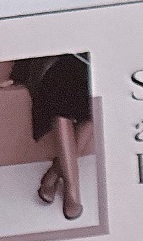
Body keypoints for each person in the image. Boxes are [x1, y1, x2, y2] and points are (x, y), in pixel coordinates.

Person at [8, 53, 92, 219]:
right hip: (53, 64)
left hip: (87, 63)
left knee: (94, 108)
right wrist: (16, 76)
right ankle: (72, 193)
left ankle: (54, 173)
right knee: (61, 99)